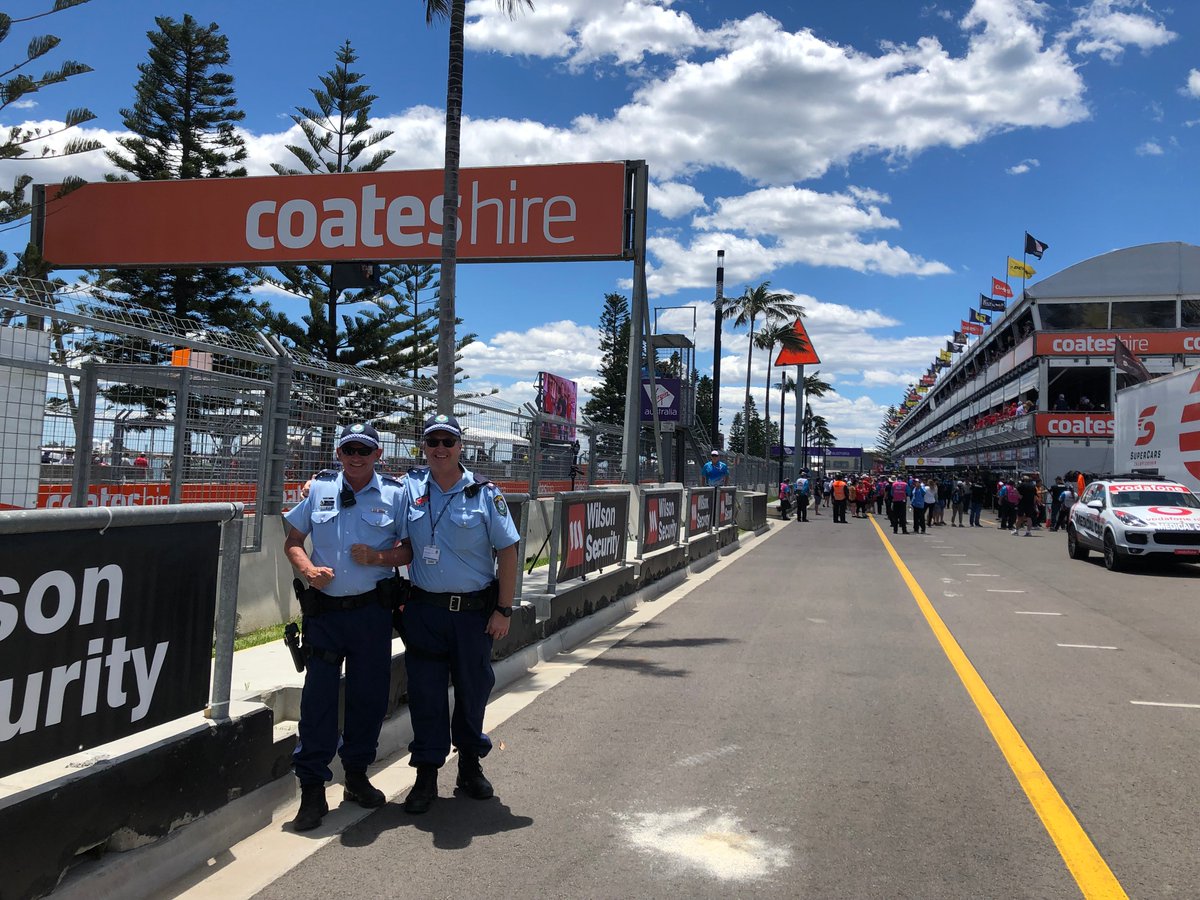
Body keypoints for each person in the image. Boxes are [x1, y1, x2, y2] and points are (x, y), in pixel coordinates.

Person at [283, 423, 407, 832]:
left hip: (371, 614)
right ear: (338, 453)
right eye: (349, 450)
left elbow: (409, 548)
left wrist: (379, 557)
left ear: (377, 454)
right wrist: (308, 569)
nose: (356, 457)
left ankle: (356, 777)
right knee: (317, 700)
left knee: (367, 697)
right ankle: (312, 790)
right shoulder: (319, 489)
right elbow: (293, 541)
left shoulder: (395, 495)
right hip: (325, 616)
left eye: (364, 450)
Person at [398, 414, 520, 815]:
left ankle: (469, 765)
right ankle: (426, 773)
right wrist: (323, 481)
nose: (440, 449)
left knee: (472, 690)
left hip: (472, 615)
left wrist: (503, 609)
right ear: (424, 446)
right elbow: (365, 484)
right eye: (432, 441)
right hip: (425, 612)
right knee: (425, 694)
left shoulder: (485, 493)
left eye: (447, 442)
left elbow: (508, 552)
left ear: (460, 447)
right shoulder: (409, 488)